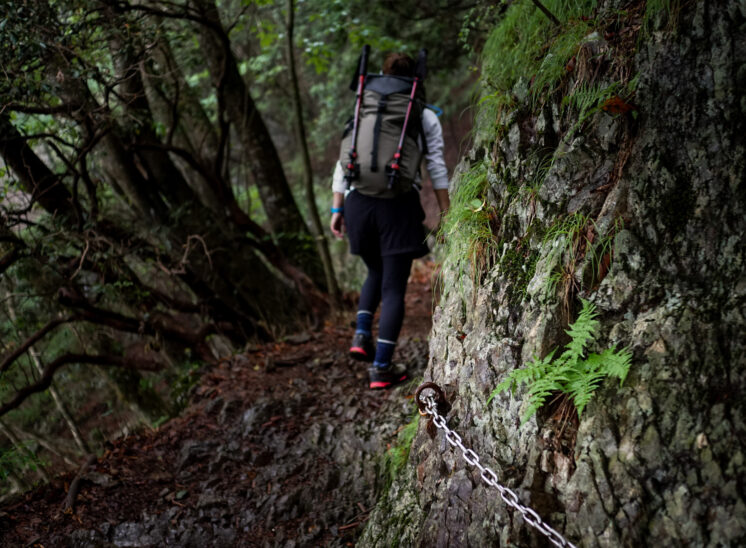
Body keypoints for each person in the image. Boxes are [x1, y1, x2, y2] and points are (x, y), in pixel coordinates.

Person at [330, 52, 450, 389]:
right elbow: (436, 167)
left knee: (374, 271)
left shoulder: (363, 107)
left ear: (382, 75)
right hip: (396, 208)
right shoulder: (421, 113)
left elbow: (343, 163)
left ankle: (361, 334)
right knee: (394, 286)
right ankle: (381, 368)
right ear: (415, 79)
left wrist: (337, 210)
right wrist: (446, 211)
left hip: (357, 205)